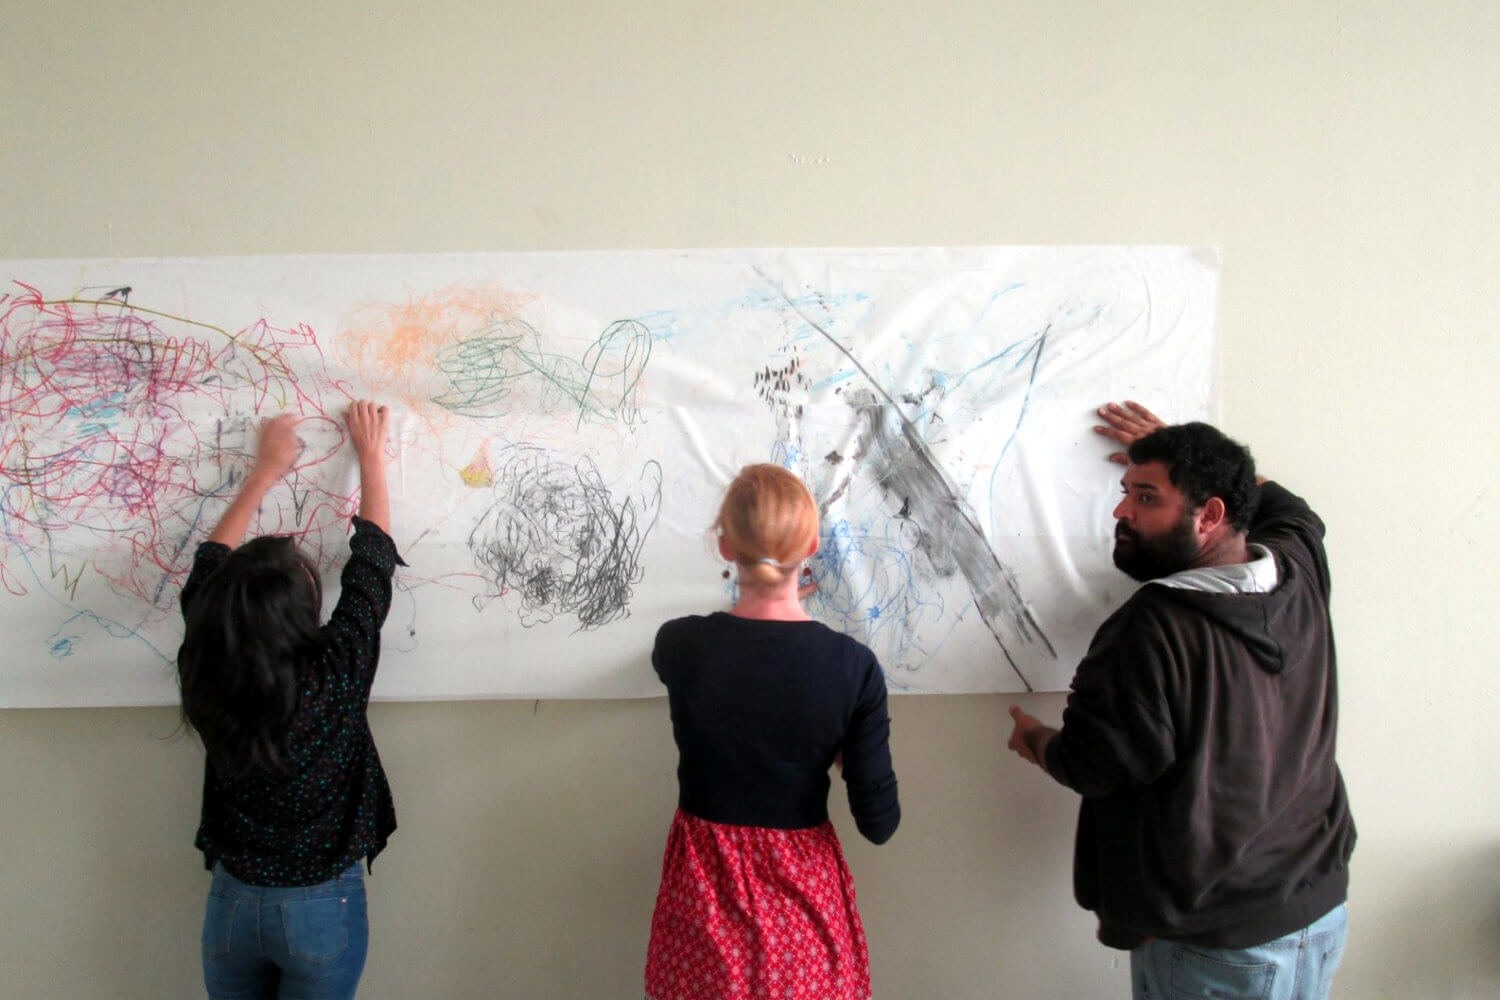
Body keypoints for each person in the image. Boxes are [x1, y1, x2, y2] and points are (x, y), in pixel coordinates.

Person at [1007, 401, 1356, 1000]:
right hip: (1317, 911)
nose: (1121, 511)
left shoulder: (1150, 629)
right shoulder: (1297, 569)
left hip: (1216, 942)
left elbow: (1095, 762)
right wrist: (1189, 452)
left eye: (1146, 497)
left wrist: (1034, 739)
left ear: (1210, 514)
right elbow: (1295, 510)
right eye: (1126, 492)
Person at [644, 464, 901, 1000]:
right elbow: (879, 824)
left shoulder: (679, 646)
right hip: (803, 930)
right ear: (810, 545)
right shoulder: (851, 668)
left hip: (702, 918)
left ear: (724, 547)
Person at [177, 401, 403, 1000]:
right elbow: (373, 566)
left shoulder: (205, 668)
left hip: (233, 903)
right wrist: (372, 457)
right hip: (320, 906)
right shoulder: (336, 673)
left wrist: (262, 474)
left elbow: (207, 575)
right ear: (304, 617)